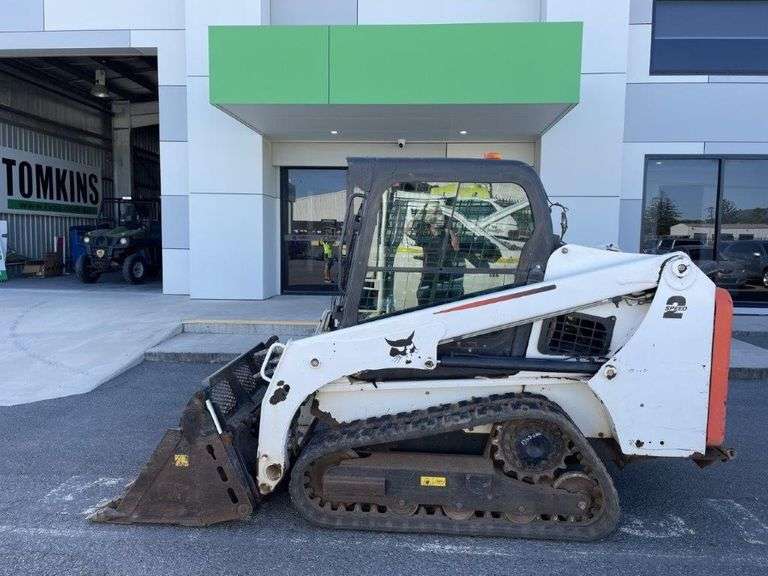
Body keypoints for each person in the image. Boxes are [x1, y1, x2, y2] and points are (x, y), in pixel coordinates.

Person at [407, 204, 463, 306]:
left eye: (441, 215)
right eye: (436, 215)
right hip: (429, 277)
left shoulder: (446, 235)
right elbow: (407, 231)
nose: (440, 218)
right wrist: (421, 212)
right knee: (424, 304)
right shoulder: (424, 235)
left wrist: (450, 231)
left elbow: (456, 248)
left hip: (446, 278)